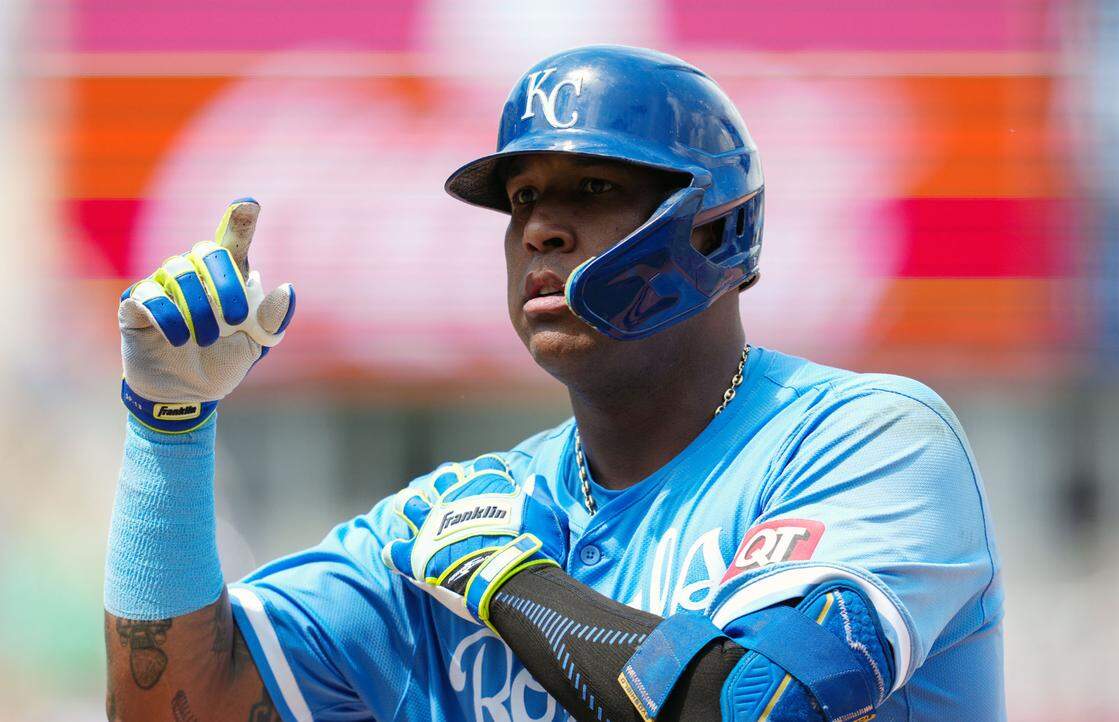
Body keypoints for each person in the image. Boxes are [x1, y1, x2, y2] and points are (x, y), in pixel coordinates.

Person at [105, 45, 1005, 722]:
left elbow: (756, 705)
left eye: (591, 186)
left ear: (712, 231)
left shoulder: (866, 436)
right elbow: (180, 702)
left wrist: (513, 585)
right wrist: (169, 434)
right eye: (524, 199)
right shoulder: (470, 513)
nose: (540, 229)